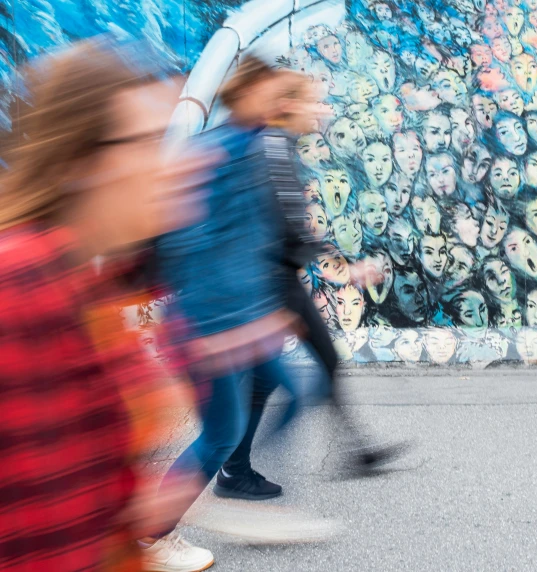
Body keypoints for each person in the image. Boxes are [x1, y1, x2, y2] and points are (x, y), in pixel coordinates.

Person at [0, 38, 212, 572]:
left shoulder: (98, 276)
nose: (183, 163)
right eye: (152, 142)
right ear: (79, 162)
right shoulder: (18, 287)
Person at [209, 60, 405, 502]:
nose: (322, 110)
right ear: (288, 105)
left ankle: (349, 452)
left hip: (275, 278)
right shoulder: (274, 146)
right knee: (281, 375)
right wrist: (346, 271)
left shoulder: (276, 144)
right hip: (274, 281)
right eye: (314, 101)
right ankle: (235, 468)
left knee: (282, 374)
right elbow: (289, 226)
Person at [147, 56, 308, 569]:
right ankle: (151, 536)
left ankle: (235, 479)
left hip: (239, 317)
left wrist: (266, 313)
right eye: (283, 93)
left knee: (292, 386)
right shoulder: (223, 153)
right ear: (255, 94)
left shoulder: (252, 147)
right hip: (210, 323)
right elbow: (188, 245)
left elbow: (251, 244)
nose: (292, 104)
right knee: (219, 432)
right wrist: (216, 329)